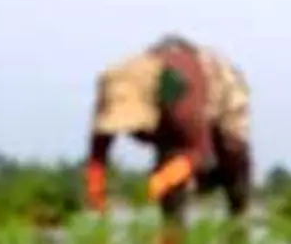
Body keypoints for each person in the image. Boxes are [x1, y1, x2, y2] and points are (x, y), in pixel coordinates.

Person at [86, 34, 251, 222]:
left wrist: (161, 181)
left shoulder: (180, 98)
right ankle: (172, 237)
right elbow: (97, 154)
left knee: (233, 153)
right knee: (170, 166)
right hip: (170, 123)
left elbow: (202, 151)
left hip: (218, 91)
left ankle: (239, 220)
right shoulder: (113, 88)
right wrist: (96, 196)